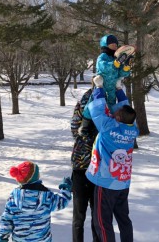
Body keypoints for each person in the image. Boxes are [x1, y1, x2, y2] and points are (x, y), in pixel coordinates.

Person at [86, 75, 139, 242]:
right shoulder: (133, 129)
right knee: (124, 219)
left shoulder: (108, 127)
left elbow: (97, 110)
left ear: (117, 118)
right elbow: (127, 111)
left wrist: (99, 88)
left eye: (115, 113)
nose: (113, 111)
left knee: (102, 221)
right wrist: (118, 90)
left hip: (106, 182)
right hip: (123, 182)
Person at [0, 161, 72, 242]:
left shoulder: (13, 199)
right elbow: (61, 202)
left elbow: (6, 219)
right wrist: (65, 189)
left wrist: (3, 236)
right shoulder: (47, 197)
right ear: (35, 177)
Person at [71, 87, 100, 242]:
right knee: (96, 215)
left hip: (84, 164)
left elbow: (74, 128)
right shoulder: (109, 99)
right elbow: (75, 128)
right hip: (94, 166)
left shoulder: (84, 100)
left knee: (81, 215)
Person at [82, 34, 132, 122]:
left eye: (116, 45)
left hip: (112, 89)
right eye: (112, 45)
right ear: (105, 45)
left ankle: (110, 125)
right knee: (94, 105)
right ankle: (85, 125)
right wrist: (114, 64)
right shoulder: (102, 56)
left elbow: (121, 73)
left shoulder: (116, 58)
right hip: (101, 85)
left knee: (111, 107)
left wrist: (126, 67)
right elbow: (102, 66)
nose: (115, 47)